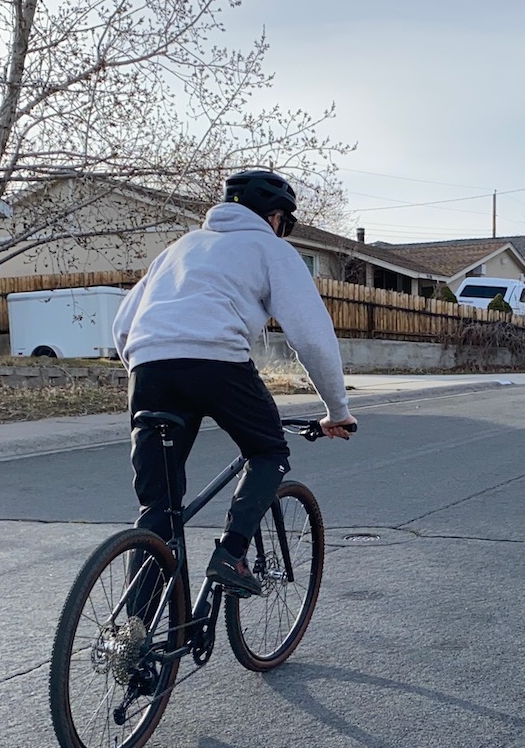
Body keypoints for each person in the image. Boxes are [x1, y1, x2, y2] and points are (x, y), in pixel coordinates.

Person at [112, 170, 357, 597]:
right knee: (268, 450)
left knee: (158, 509)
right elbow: (312, 336)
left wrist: (149, 366)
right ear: (276, 217)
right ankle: (232, 553)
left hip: (148, 367)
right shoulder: (270, 248)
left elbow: (122, 325)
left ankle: (136, 646)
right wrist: (337, 410)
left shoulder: (180, 248)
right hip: (218, 362)